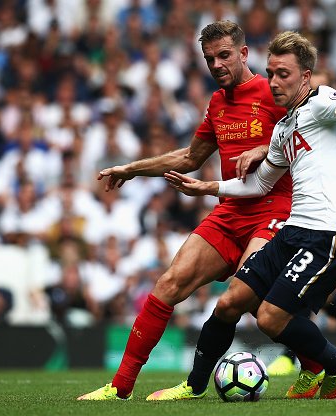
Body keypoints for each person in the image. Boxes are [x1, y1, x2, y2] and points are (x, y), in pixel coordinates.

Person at [159, 31, 336, 400]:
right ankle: (193, 387)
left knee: (271, 316)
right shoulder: (283, 129)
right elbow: (258, 186)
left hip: (329, 235)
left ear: (305, 76)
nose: (273, 82)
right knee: (229, 303)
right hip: (293, 231)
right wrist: (208, 188)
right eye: (270, 73)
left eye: (283, 74)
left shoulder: (320, 102)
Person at [77, 20, 293, 401]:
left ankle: (322, 362)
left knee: (249, 301)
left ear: (243, 53)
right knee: (168, 284)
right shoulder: (217, 103)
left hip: (273, 210)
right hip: (229, 213)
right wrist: (132, 168)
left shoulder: (273, 91)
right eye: (210, 59)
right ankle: (120, 386)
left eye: (224, 55)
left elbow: (302, 136)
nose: (217, 65)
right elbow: (191, 157)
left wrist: (265, 149)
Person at [266, 70, 336, 377]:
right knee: (310, 288)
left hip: (332, 215)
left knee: (300, 286)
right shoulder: (294, 121)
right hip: (299, 212)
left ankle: (291, 357)